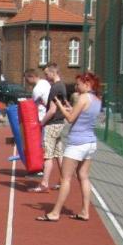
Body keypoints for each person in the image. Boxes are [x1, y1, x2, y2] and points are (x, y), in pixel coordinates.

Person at [36, 72, 103, 223]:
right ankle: (85, 211)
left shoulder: (84, 98)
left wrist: (58, 104)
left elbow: (71, 118)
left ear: (87, 84)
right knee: (83, 176)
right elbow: (79, 114)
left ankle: (55, 213)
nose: (76, 87)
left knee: (65, 178)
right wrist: (67, 105)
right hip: (90, 142)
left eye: (78, 84)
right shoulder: (97, 99)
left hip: (77, 143)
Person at [29, 62, 68, 193]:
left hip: (52, 124)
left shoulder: (55, 88)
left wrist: (42, 123)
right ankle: (63, 180)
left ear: (52, 73)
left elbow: (52, 110)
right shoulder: (62, 85)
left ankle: (44, 183)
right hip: (60, 122)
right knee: (58, 153)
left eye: (46, 74)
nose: (45, 77)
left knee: (48, 155)